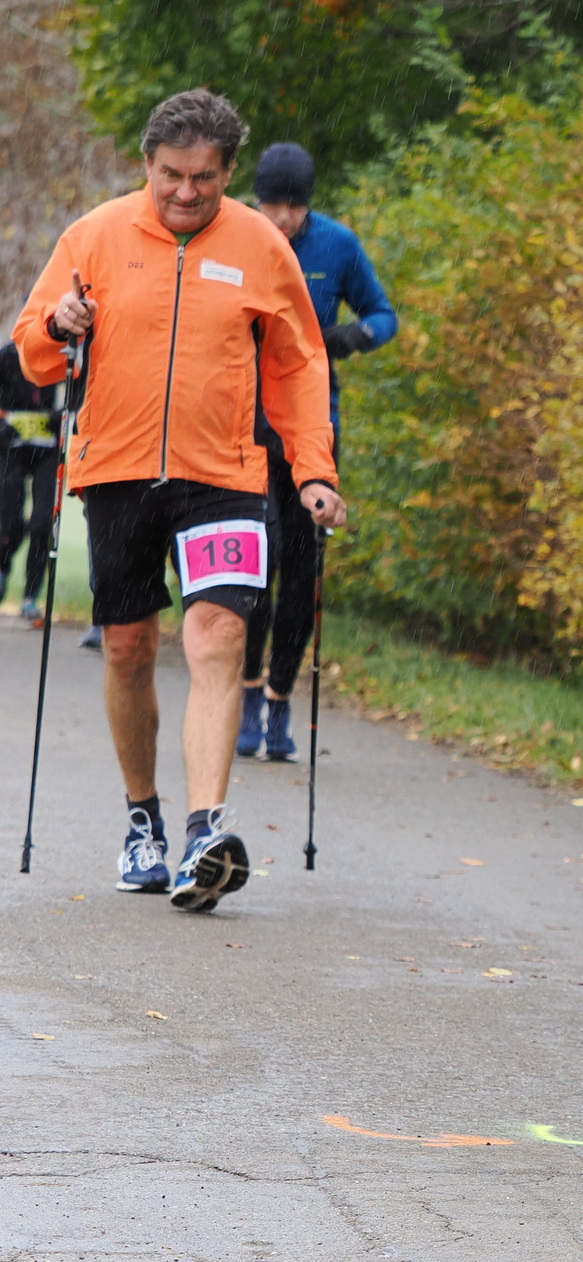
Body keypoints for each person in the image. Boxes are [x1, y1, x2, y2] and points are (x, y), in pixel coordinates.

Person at [9, 89, 346, 911]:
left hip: (223, 475)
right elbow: (30, 353)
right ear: (147, 165)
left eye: (204, 177)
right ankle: (143, 822)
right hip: (118, 471)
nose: (186, 192)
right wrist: (58, 324)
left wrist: (313, 470)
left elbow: (299, 366)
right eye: (171, 175)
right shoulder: (94, 236)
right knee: (128, 648)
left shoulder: (262, 246)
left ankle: (204, 832)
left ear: (229, 172)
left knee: (220, 634)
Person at [237, 142, 395, 762]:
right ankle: (247, 691)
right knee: (256, 563)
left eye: (294, 207)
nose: (282, 218)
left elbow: (384, 315)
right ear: (255, 199)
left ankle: (280, 699)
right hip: (244, 423)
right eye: (271, 205)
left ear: (308, 204)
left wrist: (352, 336)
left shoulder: (336, 245)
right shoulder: (235, 236)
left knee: (302, 573)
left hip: (312, 424)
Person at [0, 342, 59, 624]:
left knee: (42, 524)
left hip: (47, 450)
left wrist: (65, 414)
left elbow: (81, 389)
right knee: (8, 523)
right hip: (10, 448)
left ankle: (30, 597)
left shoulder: (60, 351)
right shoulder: (7, 356)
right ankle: (2, 570)